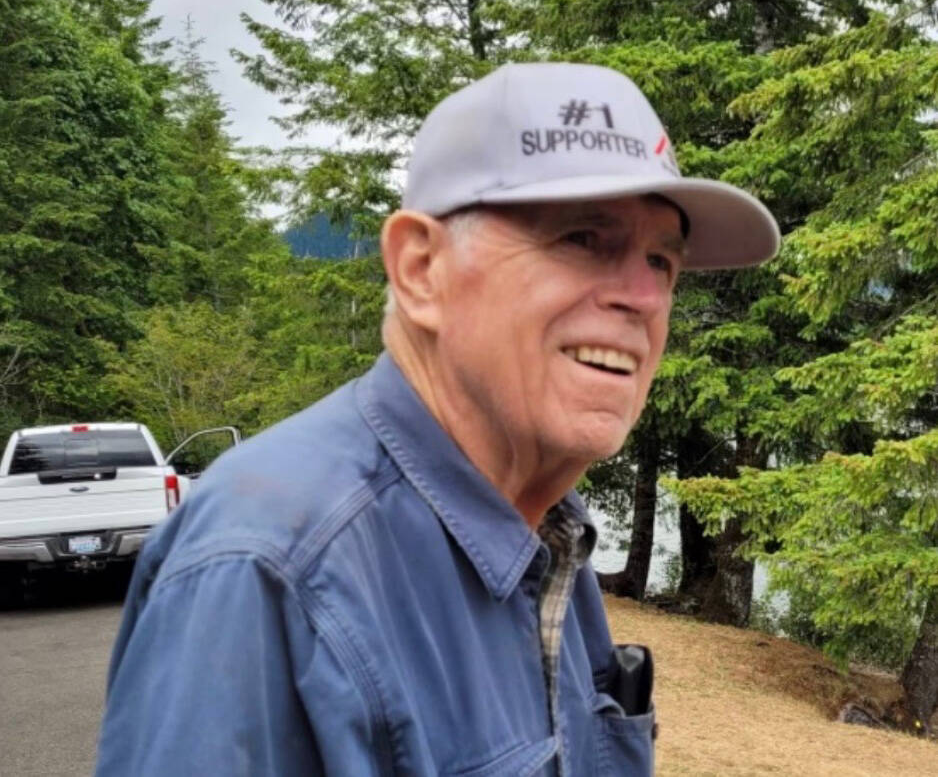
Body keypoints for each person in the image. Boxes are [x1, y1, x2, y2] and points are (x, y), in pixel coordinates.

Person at [94, 62, 779, 776]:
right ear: (421, 270)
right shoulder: (266, 566)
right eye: (582, 239)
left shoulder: (550, 531)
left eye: (663, 261)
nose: (643, 296)